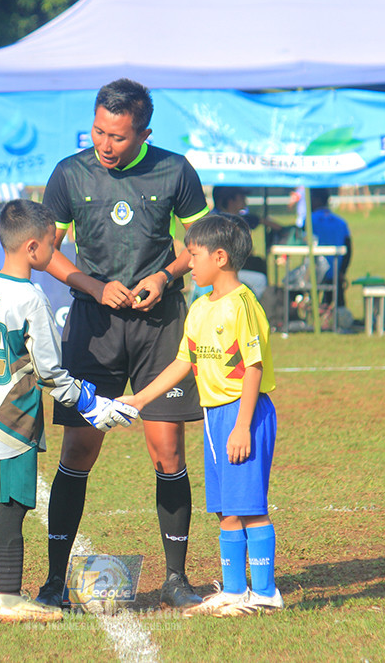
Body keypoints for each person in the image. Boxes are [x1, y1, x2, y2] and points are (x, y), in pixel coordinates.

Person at [36, 78, 210, 609]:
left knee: (167, 451)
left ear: (144, 132)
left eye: (117, 135)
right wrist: (92, 285)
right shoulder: (69, 173)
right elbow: (46, 251)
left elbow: (202, 242)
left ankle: (177, 580)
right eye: (97, 132)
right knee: (79, 450)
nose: (104, 144)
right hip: (94, 329)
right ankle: (53, 581)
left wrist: (167, 276)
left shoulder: (176, 170)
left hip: (161, 328)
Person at [0, 199, 137, 623]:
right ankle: (9, 599)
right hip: (14, 417)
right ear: (31, 249)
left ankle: (7, 591)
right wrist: (92, 404)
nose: (54, 250)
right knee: (12, 505)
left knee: (1, 505)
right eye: (51, 243)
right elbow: (49, 371)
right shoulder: (31, 297)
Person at [117, 213, 284, 617]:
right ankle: (232, 590)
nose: (188, 263)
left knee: (250, 505)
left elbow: (253, 369)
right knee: (226, 507)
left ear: (221, 257)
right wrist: (139, 400)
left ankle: (264, 592)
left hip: (244, 414)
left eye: (194, 255)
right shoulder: (199, 307)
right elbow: (181, 362)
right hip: (215, 418)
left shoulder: (240, 306)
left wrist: (243, 425)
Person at [209, 186, 283, 298]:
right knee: (260, 280)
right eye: (242, 197)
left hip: (231, 268)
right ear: (230, 201)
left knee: (257, 262)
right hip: (221, 270)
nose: (246, 200)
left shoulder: (236, 218)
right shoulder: (216, 222)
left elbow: (272, 224)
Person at [307, 188, 352, 308]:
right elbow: (349, 249)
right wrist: (342, 272)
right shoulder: (341, 222)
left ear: (316, 200)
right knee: (338, 305)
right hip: (336, 272)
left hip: (315, 272)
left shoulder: (310, 220)